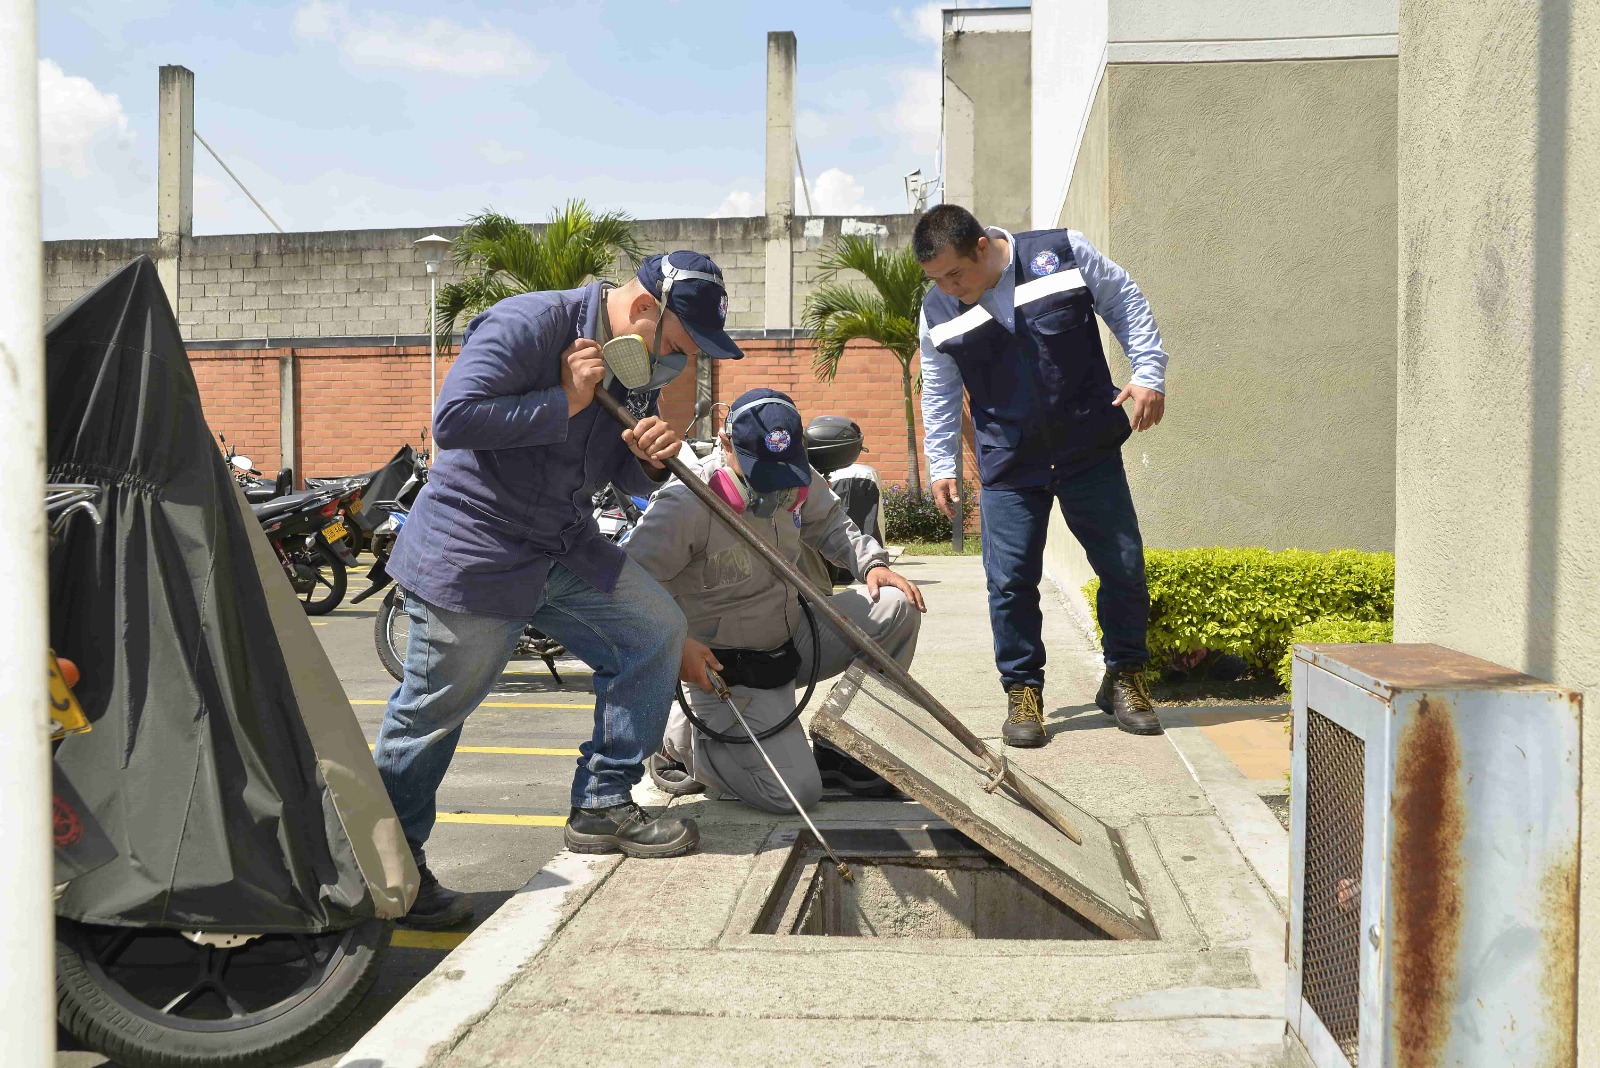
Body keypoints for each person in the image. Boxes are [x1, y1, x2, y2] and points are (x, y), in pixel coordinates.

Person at [373, 252, 745, 929]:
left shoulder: (632, 367)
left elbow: (625, 481)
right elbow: (453, 420)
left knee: (653, 629)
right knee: (434, 712)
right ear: (642, 312)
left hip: (562, 545)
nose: (678, 365)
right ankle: (381, 869)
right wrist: (564, 402)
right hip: (476, 550)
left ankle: (604, 802)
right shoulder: (528, 324)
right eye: (679, 347)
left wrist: (649, 459)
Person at [913, 203, 1170, 745]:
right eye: (935, 279)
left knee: (1123, 568)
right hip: (1009, 463)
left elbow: (1125, 299)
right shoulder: (938, 309)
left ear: (982, 245)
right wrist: (943, 462)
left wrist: (1148, 374)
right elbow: (937, 388)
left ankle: (1126, 676)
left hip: (1088, 449)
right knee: (1009, 583)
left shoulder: (1062, 254)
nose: (948, 287)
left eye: (955, 273)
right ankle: (1023, 691)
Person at [624, 388, 926, 812]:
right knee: (794, 794)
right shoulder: (686, 504)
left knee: (897, 606)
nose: (776, 485)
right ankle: (682, 746)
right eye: (760, 471)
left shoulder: (794, 478)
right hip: (724, 671)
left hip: (790, 640)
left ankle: (842, 748)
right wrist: (676, 648)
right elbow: (625, 589)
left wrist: (872, 564)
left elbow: (832, 525)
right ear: (725, 444)